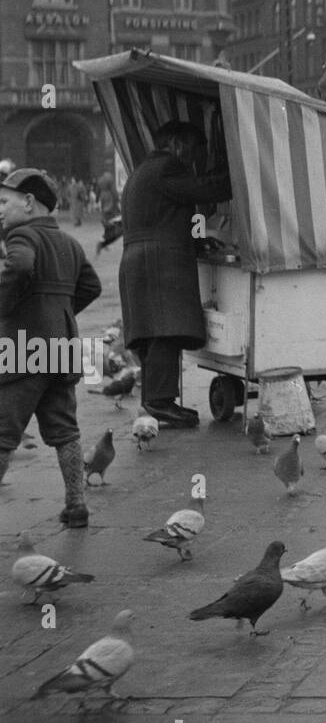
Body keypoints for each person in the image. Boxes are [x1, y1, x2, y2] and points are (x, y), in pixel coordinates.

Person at [0, 168, 101, 527]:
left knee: (4, 430)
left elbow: (21, 265)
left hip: (23, 349)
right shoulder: (69, 243)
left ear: (28, 203)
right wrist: (58, 312)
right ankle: (76, 504)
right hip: (62, 350)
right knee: (65, 430)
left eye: (3, 202)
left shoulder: (21, 235)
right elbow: (91, 287)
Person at [118, 120, 232, 427]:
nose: (194, 159)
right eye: (194, 150)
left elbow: (162, 216)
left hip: (141, 260)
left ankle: (157, 399)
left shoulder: (143, 171)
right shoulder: (167, 168)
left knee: (154, 331)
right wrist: (236, 171)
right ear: (178, 144)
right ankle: (160, 401)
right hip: (158, 264)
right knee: (164, 330)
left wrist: (197, 242)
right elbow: (205, 189)